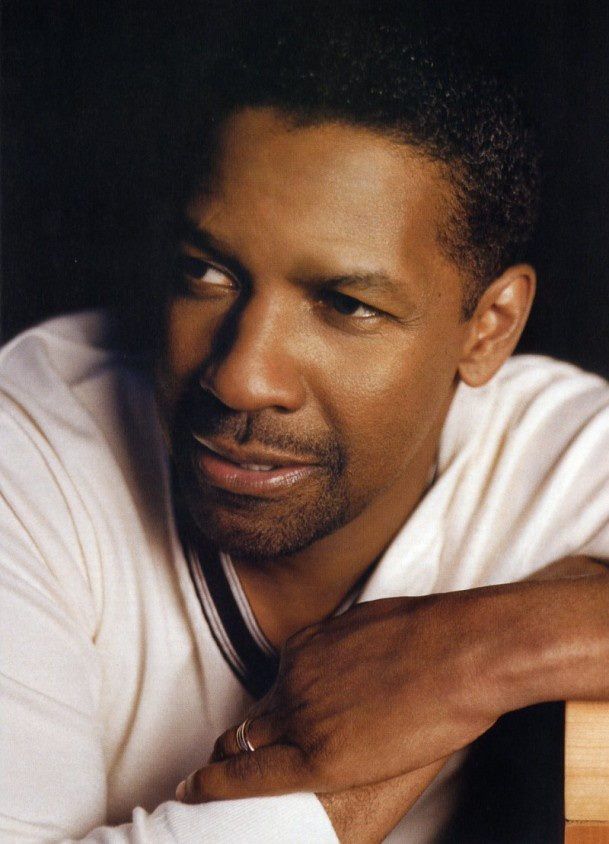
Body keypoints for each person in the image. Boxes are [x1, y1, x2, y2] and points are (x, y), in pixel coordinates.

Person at [1, 11, 609, 843]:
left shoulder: (552, 449)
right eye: (206, 272)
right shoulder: (31, 450)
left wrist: (475, 653)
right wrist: (358, 772)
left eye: (346, 305)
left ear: (488, 328)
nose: (241, 376)